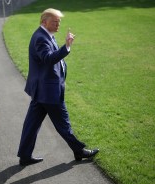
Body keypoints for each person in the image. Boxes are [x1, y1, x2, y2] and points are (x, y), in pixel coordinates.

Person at [17, 8, 99, 166]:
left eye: (59, 22)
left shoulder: (45, 35)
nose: (58, 25)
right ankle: (79, 151)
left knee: (31, 124)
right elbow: (48, 58)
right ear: (44, 21)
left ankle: (25, 156)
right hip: (48, 91)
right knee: (63, 123)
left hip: (42, 90)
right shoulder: (41, 38)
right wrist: (66, 47)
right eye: (55, 22)